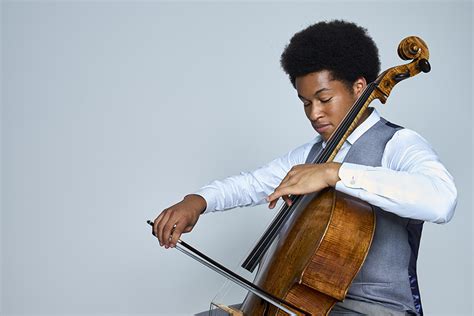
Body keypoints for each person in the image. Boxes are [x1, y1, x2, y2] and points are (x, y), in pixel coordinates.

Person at [152, 20, 457, 316]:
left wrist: (333, 173)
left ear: (359, 87)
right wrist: (197, 202)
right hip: (305, 303)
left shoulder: (398, 143)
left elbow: (442, 200)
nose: (315, 113)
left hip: (375, 309)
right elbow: (251, 184)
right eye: (305, 102)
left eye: (324, 99)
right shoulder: (312, 153)